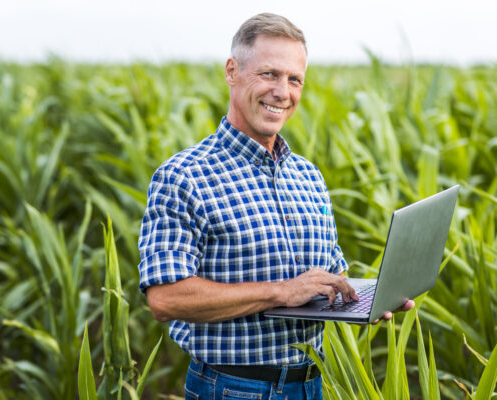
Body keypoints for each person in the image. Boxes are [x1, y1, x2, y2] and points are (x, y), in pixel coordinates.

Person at [138, 13, 414, 399]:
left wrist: (368, 297)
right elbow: (165, 298)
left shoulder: (308, 176)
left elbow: (327, 274)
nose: (282, 92)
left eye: (294, 79)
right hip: (232, 388)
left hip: (311, 385)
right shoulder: (184, 176)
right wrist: (280, 292)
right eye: (269, 74)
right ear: (232, 71)